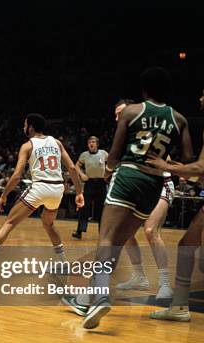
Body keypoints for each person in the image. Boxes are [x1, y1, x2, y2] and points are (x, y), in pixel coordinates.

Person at [74, 67, 193, 329]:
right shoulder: (180, 119)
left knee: (106, 238)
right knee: (119, 241)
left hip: (128, 174)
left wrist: (107, 172)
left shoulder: (132, 111)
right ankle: (91, 296)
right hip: (154, 184)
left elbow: (114, 155)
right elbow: (187, 159)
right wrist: (164, 164)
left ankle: (101, 295)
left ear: (144, 90)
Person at [148, 78, 204, 322]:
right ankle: (179, 307)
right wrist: (180, 168)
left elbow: (200, 169)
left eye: (203, 93)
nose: (199, 98)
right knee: (186, 246)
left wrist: (165, 165)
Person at [0, 113, 85, 276]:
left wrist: (4, 195)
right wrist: (79, 192)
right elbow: (72, 168)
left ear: (31, 127)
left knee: (9, 223)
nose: (23, 127)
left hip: (40, 187)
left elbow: (16, 176)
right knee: (48, 224)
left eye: (25, 124)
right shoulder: (56, 142)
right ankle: (63, 263)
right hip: (58, 189)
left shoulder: (28, 146)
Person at [113, 99, 175, 300]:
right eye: (115, 114)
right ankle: (140, 277)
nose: (117, 117)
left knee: (150, 230)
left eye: (120, 113)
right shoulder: (125, 135)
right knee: (126, 233)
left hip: (160, 184)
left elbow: (163, 160)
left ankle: (165, 283)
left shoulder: (147, 131)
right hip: (138, 187)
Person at [72, 136, 107, 239]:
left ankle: (103, 233)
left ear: (97, 144)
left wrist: (108, 174)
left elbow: (111, 162)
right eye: (89, 142)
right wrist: (82, 175)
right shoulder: (84, 155)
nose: (91, 144)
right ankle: (79, 231)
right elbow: (76, 166)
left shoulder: (103, 153)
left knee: (101, 209)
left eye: (93, 142)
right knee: (84, 207)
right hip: (89, 183)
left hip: (101, 183)